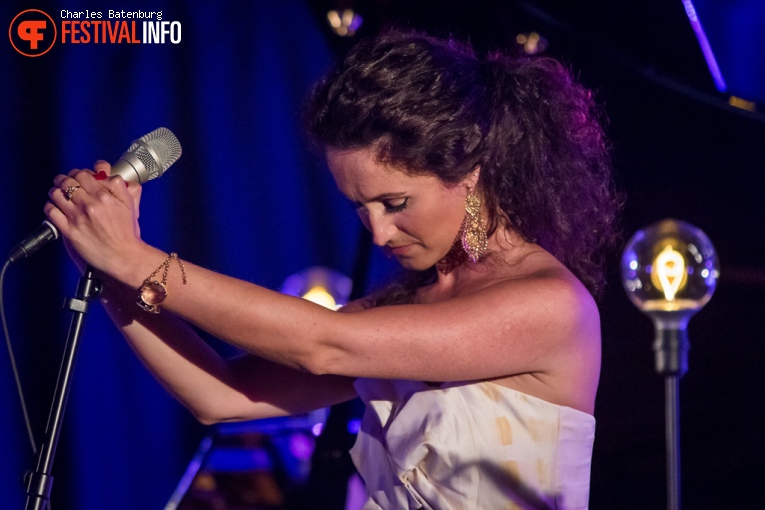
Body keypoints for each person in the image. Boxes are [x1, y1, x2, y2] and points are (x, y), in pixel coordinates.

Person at [45, 28, 620, 510]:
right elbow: (224, 396)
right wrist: (112, 270)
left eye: (395, 204)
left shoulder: (549, 305)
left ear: (469, 170)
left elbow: (324, 344)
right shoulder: (410, 302)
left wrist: (134, 257)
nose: (377, 233)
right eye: (359, 208)